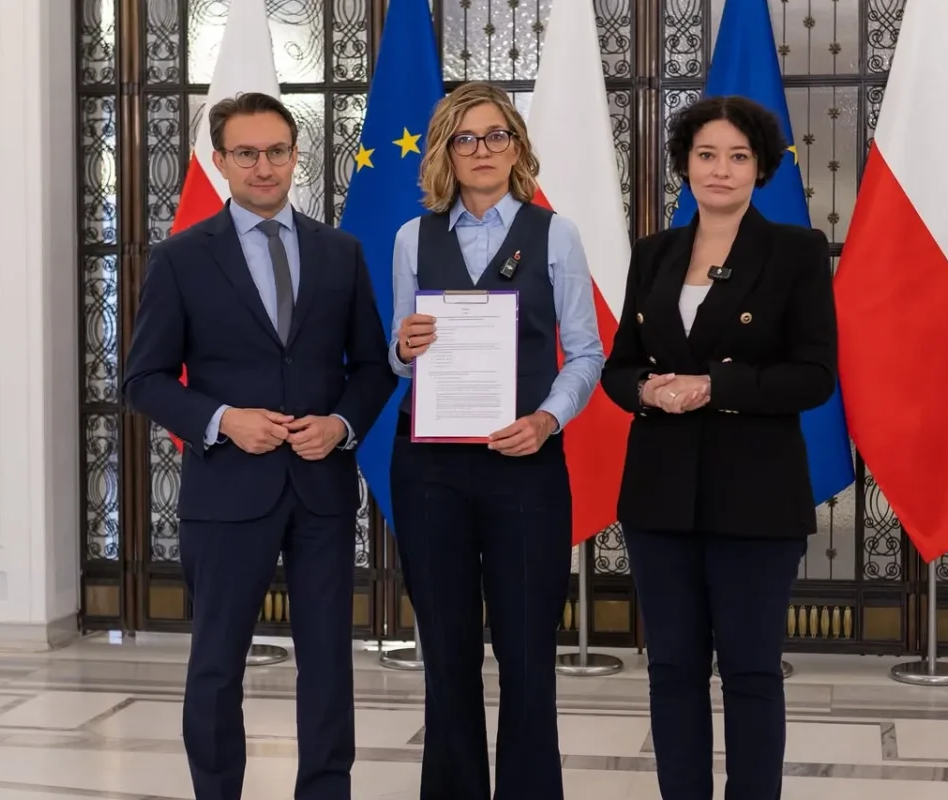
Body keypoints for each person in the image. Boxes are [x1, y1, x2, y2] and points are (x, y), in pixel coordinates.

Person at [120, 91, 395, 800]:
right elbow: (143, 379)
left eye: (276, 151)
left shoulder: (339, 252)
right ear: (220, 161)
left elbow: (372, 367)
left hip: (320, 489)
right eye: (246, 153)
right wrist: (222, 419)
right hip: (226, 490)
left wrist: (341, 425)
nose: (264, 166)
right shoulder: (181, 258)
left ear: (296, 156)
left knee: (328, 662)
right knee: (216, 664)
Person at [599, 94, 837, 800]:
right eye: (706, 155)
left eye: (738, 156)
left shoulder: (795, 251)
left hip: (756, 497)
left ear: (760, 167)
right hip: (659, 496)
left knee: (751, 670)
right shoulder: (654, 254)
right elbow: (619, 365)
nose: (721, 170)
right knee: (671, 668)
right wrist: (644, 390)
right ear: (685, 164)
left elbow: (814, 376)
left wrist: (715, 385)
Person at [386, 81, 604, 800]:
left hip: (526, 468)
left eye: (496, 136)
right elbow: (399, 354)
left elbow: (586, 352)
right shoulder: (412, 238)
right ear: (445, 152)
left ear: (517, 147)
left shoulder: (556, 234)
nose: (482, 150)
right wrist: (403, 347)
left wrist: (547, 420)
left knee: (527, 654)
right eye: (465, 139)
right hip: (430, 471)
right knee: (446, 655)